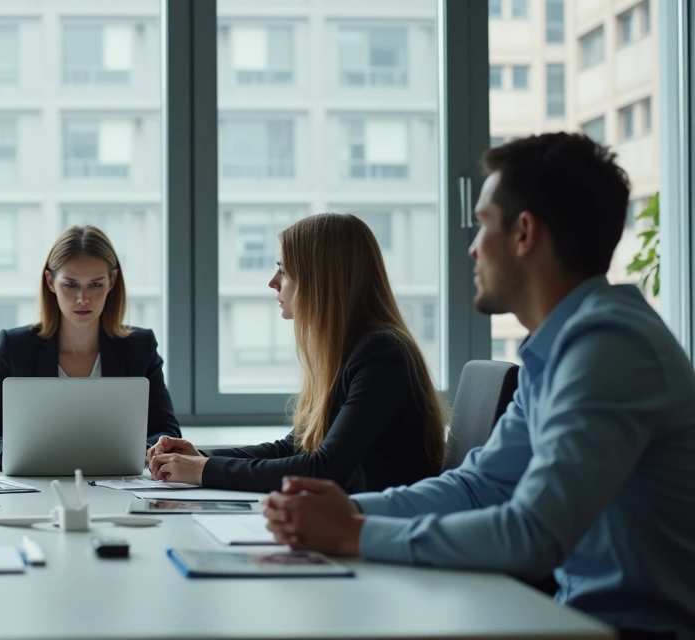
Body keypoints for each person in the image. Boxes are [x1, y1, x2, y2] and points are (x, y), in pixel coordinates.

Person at [264, 134, 695, 640]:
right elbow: (479, 486)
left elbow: (532, 534)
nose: (471, 247)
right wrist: (346, 511)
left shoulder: (611, 348)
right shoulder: (559, 349)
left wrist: (354, 532)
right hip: (572, 617)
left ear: (524, 233)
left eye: (484, 223)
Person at [147, 213, 447, 494]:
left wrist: (203, 469)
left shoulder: (382, 356)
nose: (272, 282)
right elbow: (293, 448)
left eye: (283, 270)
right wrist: (198, 457)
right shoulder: (347, 350)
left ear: (320, 281)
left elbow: (324, 468)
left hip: (376, 523)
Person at [0, 225, 181, 470]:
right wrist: (15, 458)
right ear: (50, 282)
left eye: (95, 285)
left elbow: (167, 432)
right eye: (71, 285)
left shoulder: (140, 347)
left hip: (119, 483)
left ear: (112, 281)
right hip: (39, 484)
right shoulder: (15, 347)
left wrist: (147, 451)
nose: (83, 299)